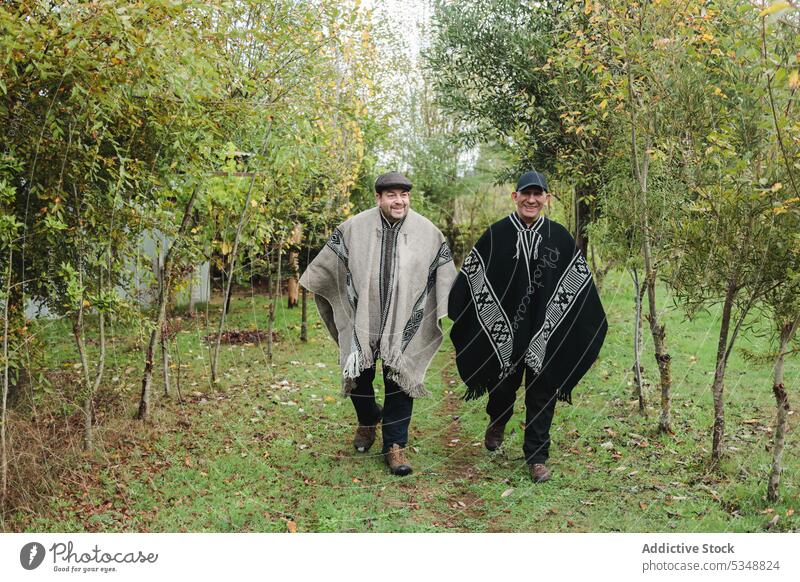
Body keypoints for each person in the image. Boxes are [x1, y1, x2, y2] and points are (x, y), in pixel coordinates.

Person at [448, 170, 607, 483]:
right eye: (526, 193)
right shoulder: (496, 235)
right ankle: (498, 418)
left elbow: (577, 284)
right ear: (515, 196)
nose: (531, 199)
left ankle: (536, 456)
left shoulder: (560, 237)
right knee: (502, 386)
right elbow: (473, 276)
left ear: (547, 199)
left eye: (538, 194)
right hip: (503, 333)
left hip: (546, 333)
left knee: (543, 391)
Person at [300, 171, 457, 476]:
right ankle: (368, 418)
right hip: (363, 317)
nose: (399, 201)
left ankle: (395, 446)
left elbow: (443, 272)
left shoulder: (428, 232)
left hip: (405, 322)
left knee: (400, 379)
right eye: (392, 195)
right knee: (358, 372)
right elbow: (330, 265)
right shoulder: (354, 228)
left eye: (404, 195)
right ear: (379, 198)